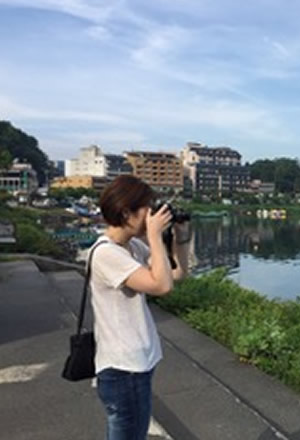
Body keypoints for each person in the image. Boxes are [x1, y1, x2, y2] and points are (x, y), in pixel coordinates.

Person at [89, 175, 190, 440]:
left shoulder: (130, 246)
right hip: (124, 369)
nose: (151, 214)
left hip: (135, 364)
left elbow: (176, 274)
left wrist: (181, 237)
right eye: (147, 208)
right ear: (126, 212)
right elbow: (162, 287)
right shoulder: (106, 253)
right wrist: (155, 236)